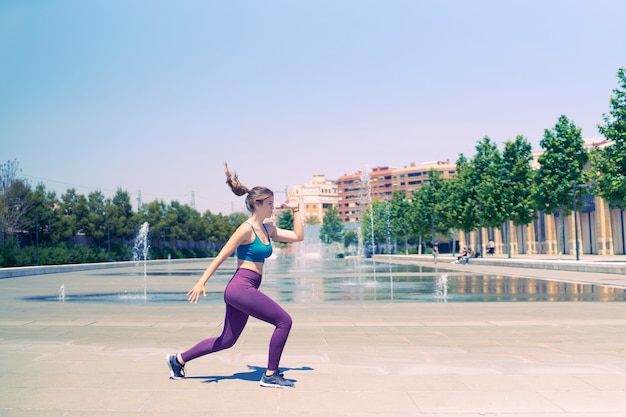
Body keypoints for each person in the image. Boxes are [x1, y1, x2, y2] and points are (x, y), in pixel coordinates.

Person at [167, 163, 304, 388]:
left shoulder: (267, 229)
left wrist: (296, 209)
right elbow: (221, 256)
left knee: (227, 340)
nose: (273, 207)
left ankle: (178, 360)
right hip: (241, 288)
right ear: (257, 204)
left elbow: (298, 236)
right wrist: (202, 281)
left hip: (245, 289)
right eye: (269, 204)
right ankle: (271, 375)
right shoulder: (246, 229)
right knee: (284, 321)